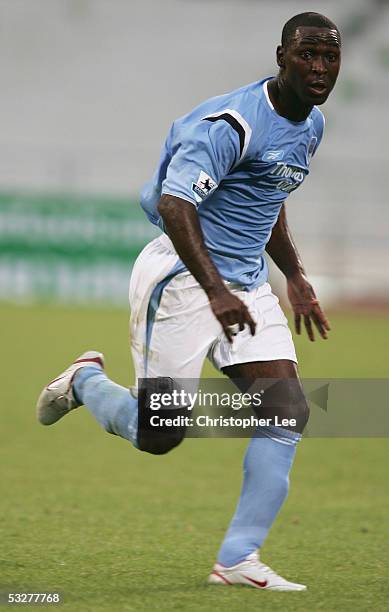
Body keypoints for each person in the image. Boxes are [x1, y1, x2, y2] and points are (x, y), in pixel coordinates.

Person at [36, 11, 341, 592]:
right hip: (181, 280)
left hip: (245, 285)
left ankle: (237, 560)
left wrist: (295, 274)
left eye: (329, 57)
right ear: (281, 57)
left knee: (287, 412)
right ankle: (84, 383)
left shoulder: (312, 124)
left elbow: (269, 190)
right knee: (161, 435)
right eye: (307, 55)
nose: (319, 67)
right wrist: (214, 289)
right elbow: (178, 205)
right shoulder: (230, 124)